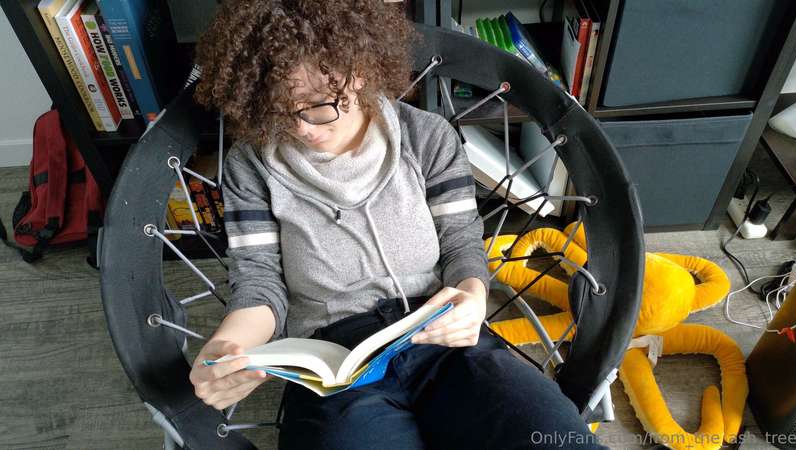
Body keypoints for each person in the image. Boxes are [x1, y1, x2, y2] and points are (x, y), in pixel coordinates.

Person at [188, 1, 608, 448]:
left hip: (438, 333)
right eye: (278, 109)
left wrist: (472, 298)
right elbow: (258, 282)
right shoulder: (251, 165)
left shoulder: (427, 137)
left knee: (555, 435)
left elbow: (461, 244)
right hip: (335, 362)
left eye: (317, 106)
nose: (302, 128)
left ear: (359, 72)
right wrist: (231, 347)